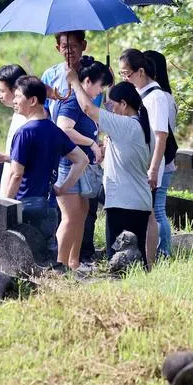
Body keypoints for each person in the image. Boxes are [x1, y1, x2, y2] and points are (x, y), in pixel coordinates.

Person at [68, 73, 153, 267]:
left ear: (123, 104)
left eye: (112, 104)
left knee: (118, 262)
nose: (110, 109)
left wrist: (74, 81)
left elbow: (89, 109)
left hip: (123, 203)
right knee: (137, 261)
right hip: (140, 201)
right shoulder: (144, 128)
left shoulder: (125, 124)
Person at [0, 76, 89, 248]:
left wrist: (4, 207)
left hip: (24, 207)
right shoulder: (54, 130)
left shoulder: (24, 133)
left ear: (32, 100)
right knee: (47, 259)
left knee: (24, 263)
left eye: (18, 96)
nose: (14, 101)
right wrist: (63, 188)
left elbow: (16, 174)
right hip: (48, 206)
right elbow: (81, 159)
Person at [41, 29, 100, 263]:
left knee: (84, 211)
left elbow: (97, 108)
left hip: (88, 148)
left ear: (83, 45)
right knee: (67, 211)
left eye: (73, 46)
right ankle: (61, 261)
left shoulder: (91, 73)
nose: (69, 51)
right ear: (57, 48)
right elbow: (44, 111)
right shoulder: (50, 75)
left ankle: (77, 258)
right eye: (64, 46)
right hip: (62, 149)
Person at [120, 49, 178, 263]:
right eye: (122, 74)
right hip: (146, 161)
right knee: (150, 211)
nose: (125, 79)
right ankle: (152, 252)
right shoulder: (147, 95)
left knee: (156, 211)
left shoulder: (156, 98)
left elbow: (160, 136)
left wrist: (153, 169)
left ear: (141, 71)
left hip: (154, 163)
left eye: (127, 74)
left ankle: (163, 253)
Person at [54, 61, 110, 269]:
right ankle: (58, 266)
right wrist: (91, 143)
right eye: (100, 85)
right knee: (70, 218)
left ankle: (73, 262)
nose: (101, 91)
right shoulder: (71, 102)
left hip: (83, 166)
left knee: (81, 214)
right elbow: (64, 129)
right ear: (87, 81)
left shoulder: (85, 100)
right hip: (68, 165)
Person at [0, 64, 28, 193]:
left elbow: (31, 158)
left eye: (2, 91)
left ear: (16, 89)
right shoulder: (17, 115)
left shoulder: (28, 120)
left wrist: (3, 158)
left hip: (21, 192)